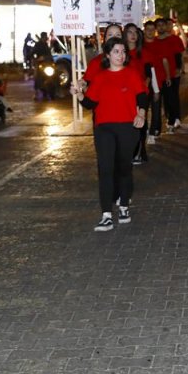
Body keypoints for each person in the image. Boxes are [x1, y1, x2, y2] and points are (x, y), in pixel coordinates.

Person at [70, 35, 148, 232]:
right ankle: (106, 214)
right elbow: (90, 104)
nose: (120, 55)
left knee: (124, 168)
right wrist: (79, 94)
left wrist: (141, 114)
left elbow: (142, 97)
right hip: (104, 128)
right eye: (116, 52)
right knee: (105, 169)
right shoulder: (101, 76)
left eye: (123, 52)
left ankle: (123, 207)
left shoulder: (131, 74)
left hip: (127, 128)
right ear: (107, 55)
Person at [124, 23, 150, 165]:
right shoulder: (121, 53)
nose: (133, 35)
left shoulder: (142, 52)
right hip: (125, 94)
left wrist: (146, 88)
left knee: (141, 122)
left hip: (140, 92)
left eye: (135, 32)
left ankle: (140, 151)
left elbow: (148, 73)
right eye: (129, 32)